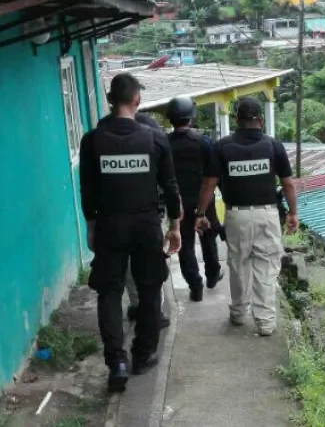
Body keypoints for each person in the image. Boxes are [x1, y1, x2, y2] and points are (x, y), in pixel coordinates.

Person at [79, 73, 182, 393]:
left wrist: (92, 226)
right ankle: (142, 355)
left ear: (111, 100)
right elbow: (170, 186)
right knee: (150, 289)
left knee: (109, 293)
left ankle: (117, 363)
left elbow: (87, 190)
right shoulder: (154, 139)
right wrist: (175, 225)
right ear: (137, 100)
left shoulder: (92, 140)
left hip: (109, 224)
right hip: (146, 225)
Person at [194, 97, 298, 336]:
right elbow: (288, 183)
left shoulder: (222, 147)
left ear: (237, 120)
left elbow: (209, 183)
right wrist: (293, 213)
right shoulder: (273, 146)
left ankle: (239, 313)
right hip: (268, 214)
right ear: (260, 120)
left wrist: (200, 213)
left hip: (236, 215)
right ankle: (265, 322)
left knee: (238, 263)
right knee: (266, 265)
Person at [98, 111, 171, 330]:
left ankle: (139, 305)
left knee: (130, 267)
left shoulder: (105, 148)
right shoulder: (154, 146)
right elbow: (168, 186)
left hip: (116, 222)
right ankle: (152, 310)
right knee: (152, 266)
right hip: (150, 220)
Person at [166, 97, 224, 302]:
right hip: (203, 200)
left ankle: (195, 284)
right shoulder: (204, 142)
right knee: (208, 238)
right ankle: (212, 275)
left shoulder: (165, 143)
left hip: (178, 203)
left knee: (185, 246)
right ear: (192, 117)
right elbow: (214, 174)